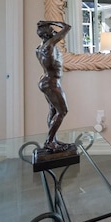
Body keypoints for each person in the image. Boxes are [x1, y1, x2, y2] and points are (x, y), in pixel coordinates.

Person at [36, 21, 71, 151]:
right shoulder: (49, 45)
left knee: (53, 110)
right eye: (51, 30)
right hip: (51, 82)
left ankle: (53, 139)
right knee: (63, 111)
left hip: (46, 81)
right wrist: (49, 22)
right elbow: (67, 27)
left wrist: (48, 25)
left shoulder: (39, 48)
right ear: (46, 34)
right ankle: (49, 141)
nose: (54, 31)